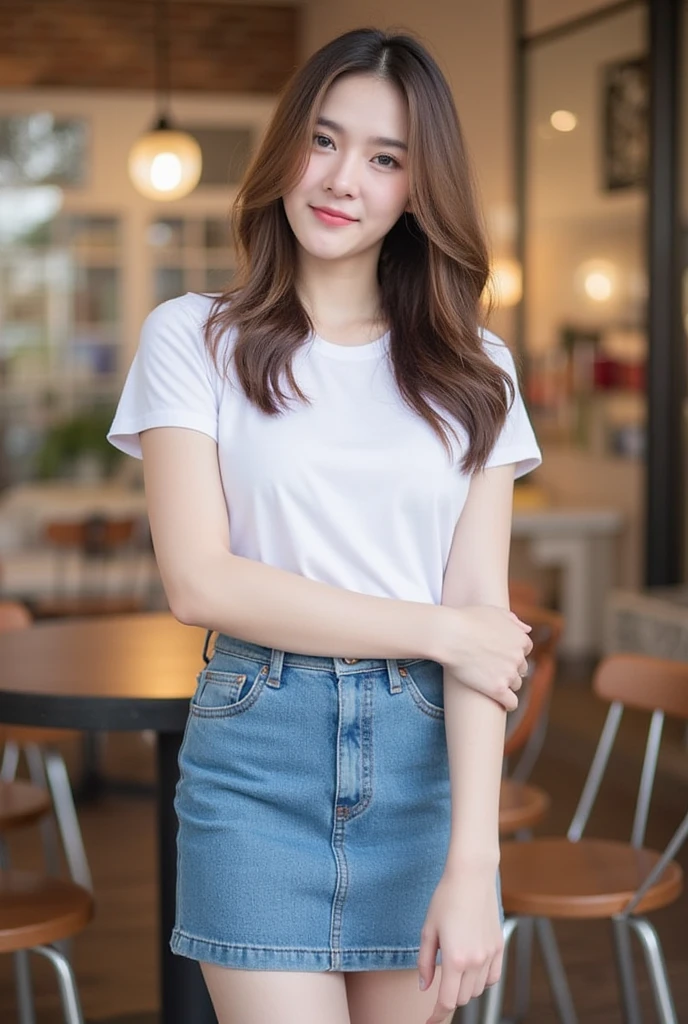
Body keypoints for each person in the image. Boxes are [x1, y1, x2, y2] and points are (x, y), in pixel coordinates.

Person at [107, 26, 542, 1024]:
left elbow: (482, 611)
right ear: (284, 150)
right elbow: (201, 584)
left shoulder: (477, 367)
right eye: (324, 139)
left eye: (385, 158)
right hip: (257, 764)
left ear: (416, 186)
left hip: (424, 771)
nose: (344, 178)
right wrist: (434, 628)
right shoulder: (194, 336)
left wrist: (475, 861)